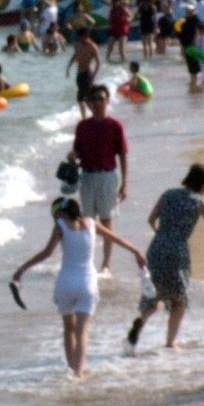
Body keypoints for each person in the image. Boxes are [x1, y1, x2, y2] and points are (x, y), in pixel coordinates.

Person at [11, 197, 148, 378]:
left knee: (69, 329)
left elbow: (46, 253)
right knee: (82, 331)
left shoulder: (60, 225)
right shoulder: (91, 223)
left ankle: (71, 370)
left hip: (66, 284)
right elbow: (117, 239)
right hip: (87, 284)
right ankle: (79, 374)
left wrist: (22, 269)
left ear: (61, 212)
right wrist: (137, 252)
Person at [126, 164, 204, 351]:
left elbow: (151, 219)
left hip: (157, 248)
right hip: (178, 252)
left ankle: (141, 320)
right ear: (203, 185)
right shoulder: (197, 201)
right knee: (179, 300)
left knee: (155, 295)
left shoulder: (168, 194)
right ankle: (170, 342)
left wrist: (162, 235)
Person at [69, 84, 127, 274]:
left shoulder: (115, 126)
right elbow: (78, 150)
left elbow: (122, 154)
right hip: (86, 176)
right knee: (86, 221)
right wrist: (73, 155)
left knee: (106, 220)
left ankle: (106, 264)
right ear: (88, 103)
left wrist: (125, 183)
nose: (97, 103)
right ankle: (87, 262)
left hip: (107, 176)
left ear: (108, 101)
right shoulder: (83, 126)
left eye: (101, 98)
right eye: (93, 99)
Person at [64, 32, 101, 118]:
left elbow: (98, 62)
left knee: (82, 99)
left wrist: (94, 76)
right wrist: (68, 68)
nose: (81, 40)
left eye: (83, 38)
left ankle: (86, 118)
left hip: (87, 74)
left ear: (87, 36)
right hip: (79, 75)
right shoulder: (78, 45)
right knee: (85, 99)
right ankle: (94, 115)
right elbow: (75, 56)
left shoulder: (92, 47)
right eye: (80, 38)